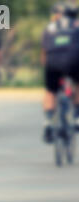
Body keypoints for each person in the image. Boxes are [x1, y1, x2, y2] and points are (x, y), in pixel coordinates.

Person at [41, 1, 79, 143]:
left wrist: (47, 67)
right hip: (74, 63)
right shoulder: (77, 25)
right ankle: (77, 118)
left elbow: (44, 51)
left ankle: (48, 122)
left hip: (53, 64)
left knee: (50, 91)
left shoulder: (50, 27)